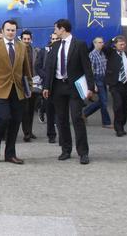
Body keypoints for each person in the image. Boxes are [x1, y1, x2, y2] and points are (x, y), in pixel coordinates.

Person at [0, 20, 32, 164]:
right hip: (0, 90)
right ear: (2, 31)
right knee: (3, 118)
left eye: (13, 30)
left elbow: (26, 69)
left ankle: (10, 154)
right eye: (8, 30)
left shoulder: (22, 46)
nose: (11, 32)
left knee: (16, 121)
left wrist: (30, 86)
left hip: (18, 90)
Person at [42, 19, 94, 165]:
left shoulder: (80, 45)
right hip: (58, 86)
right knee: (61, 119)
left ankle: (83, 152)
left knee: (77, 118)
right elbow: (50, 68)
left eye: (56, 29)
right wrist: (46, 87)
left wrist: (90, 87)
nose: (54, 32)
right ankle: (66, 149)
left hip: (74, 87)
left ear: (63, 29)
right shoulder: (55, 45)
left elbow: (87, 67)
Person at [104, 35, 127, 137]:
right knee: (118, 105)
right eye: (120, 44)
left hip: (126, 84)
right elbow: (105, 47)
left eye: (124, 44)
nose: (122, 46)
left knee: (124, 106)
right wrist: (112, 39)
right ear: (115, 45)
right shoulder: (111, 53)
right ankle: (118, 127)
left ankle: (122, 125)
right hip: (116, 84)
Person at [83, 37, 112, 129]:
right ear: (94, 44)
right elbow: (90, 70)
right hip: (97, 79)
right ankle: (106, 122)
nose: (101, 44)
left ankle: (84, 113)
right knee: (103, 101)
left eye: (102, 42)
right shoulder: (92, 55)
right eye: (99, 42)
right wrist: (93, 83)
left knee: (102, 101)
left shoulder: (102, 54)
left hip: (103, 79)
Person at [36, 33, 59, 143]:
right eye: (53, 39)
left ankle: (62, 134)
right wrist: (45, 76)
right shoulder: (44, 51)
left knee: (60, 111)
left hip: (60, 84)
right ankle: (51, 134)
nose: (54, 41)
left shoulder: (62, 50)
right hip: (47, 84)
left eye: (57, 39)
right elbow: (38, 66)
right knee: (50, 110)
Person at [19, 30, 40, 142]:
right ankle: (26, 133)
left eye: (28, 39)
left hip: (33, 83)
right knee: (25, 109)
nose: (26, 41)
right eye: (24, 39)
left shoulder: (34, 50)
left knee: (32, 109)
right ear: (21, 39)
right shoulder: (18, 50)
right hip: (22, 83)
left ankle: (30, 131)